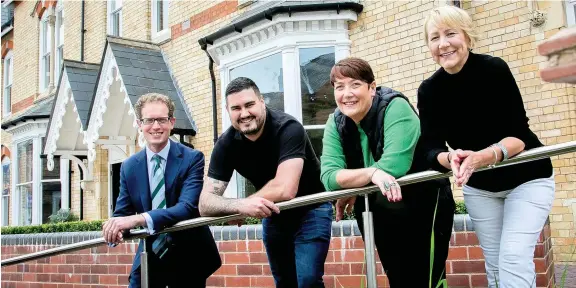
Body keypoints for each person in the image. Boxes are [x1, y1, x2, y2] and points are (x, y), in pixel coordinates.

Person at [418, 6, 555, 288]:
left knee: (514, 257)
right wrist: (450, 157)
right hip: (481, 188)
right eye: (434, 38)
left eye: (450, 34)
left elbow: (518, 135)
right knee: (494, 266)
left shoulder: (493, 69)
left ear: (467, 37)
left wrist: (483, 156)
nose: (443, 44)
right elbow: (429, 147)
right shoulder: (429, 90)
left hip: (527, 178)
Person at [320, 57, 455, 287]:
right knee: (399, 280)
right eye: (339, 87)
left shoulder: (395, 107)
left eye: (355, 85)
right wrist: (371, 175)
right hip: (380, 208)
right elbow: (329, 177)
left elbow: (394, 166)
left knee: (427, 280)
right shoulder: (335, 122)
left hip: (423, 204)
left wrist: (353, 182)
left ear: (372, 88)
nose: (347, 94)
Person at [198, 77, 332, 288]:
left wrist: (245, 205)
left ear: (262, 101)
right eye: (236, 108)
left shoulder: (288, 128)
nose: (244, 113)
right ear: (227, 110)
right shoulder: (226, 144)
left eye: (249, 104)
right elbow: (205, 203)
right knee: (284, 282)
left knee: (308, 280)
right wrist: (240, 206)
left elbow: (285, 188)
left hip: (311, 210)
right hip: (274, 215)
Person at [102, 93, 221, 288]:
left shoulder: (192, 158)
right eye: (149, 120)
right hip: (151, 250)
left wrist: (139, 218)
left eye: (162, 120)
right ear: (140, 124)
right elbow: (122, 213)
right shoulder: (129, 166)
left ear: (172, 122)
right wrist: (114, 228)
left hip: (189, 252)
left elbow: (187, 207)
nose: (156, 126)